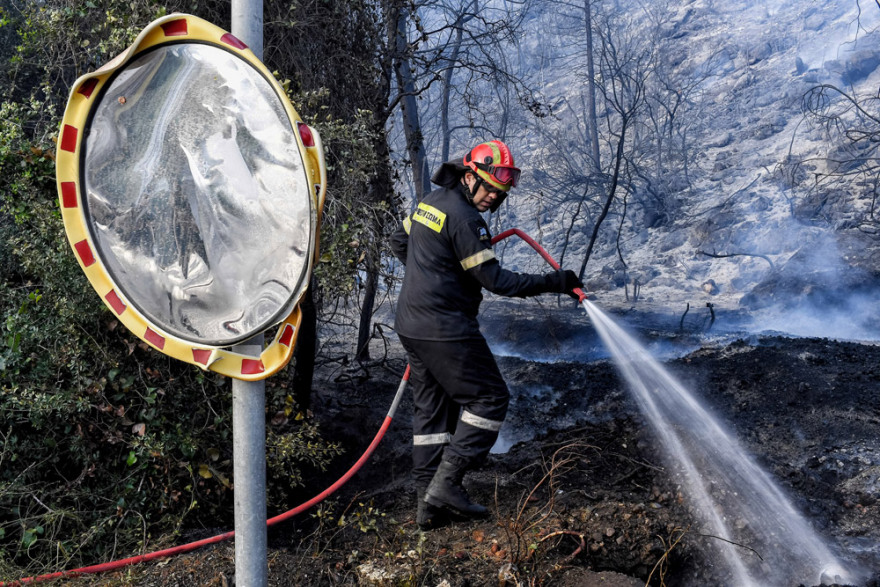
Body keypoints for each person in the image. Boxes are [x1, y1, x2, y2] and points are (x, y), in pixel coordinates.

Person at [390, 140, 584, 530]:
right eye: (489, 188)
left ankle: (427, 507)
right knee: (490, 399)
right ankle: (447, 485)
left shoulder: (431, 202)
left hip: (411, 324)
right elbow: (497, 281)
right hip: (446, 329)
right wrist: (556, 281)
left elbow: (400, 240)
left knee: (432, 413)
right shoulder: (465, 219)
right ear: (468, 175)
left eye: (499, 193)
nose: (492, 197)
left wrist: (431, 272)